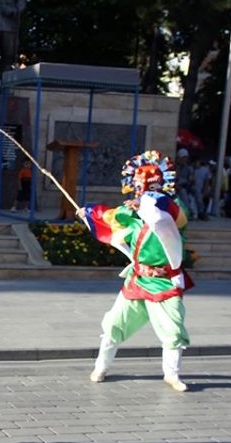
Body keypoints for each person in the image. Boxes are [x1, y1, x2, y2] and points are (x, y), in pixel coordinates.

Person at [80, 151, 192, 392]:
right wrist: (87, 213)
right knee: (114, 324)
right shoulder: (129, 211)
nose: (143, 192)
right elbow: (107, 218)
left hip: (165, 282)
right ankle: (101, 366)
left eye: (150, 187)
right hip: (138, 279)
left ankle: (171, 375)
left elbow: (165, 212)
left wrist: (146, 204)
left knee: (173, 329)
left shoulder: (174, 209)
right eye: (140, 188)